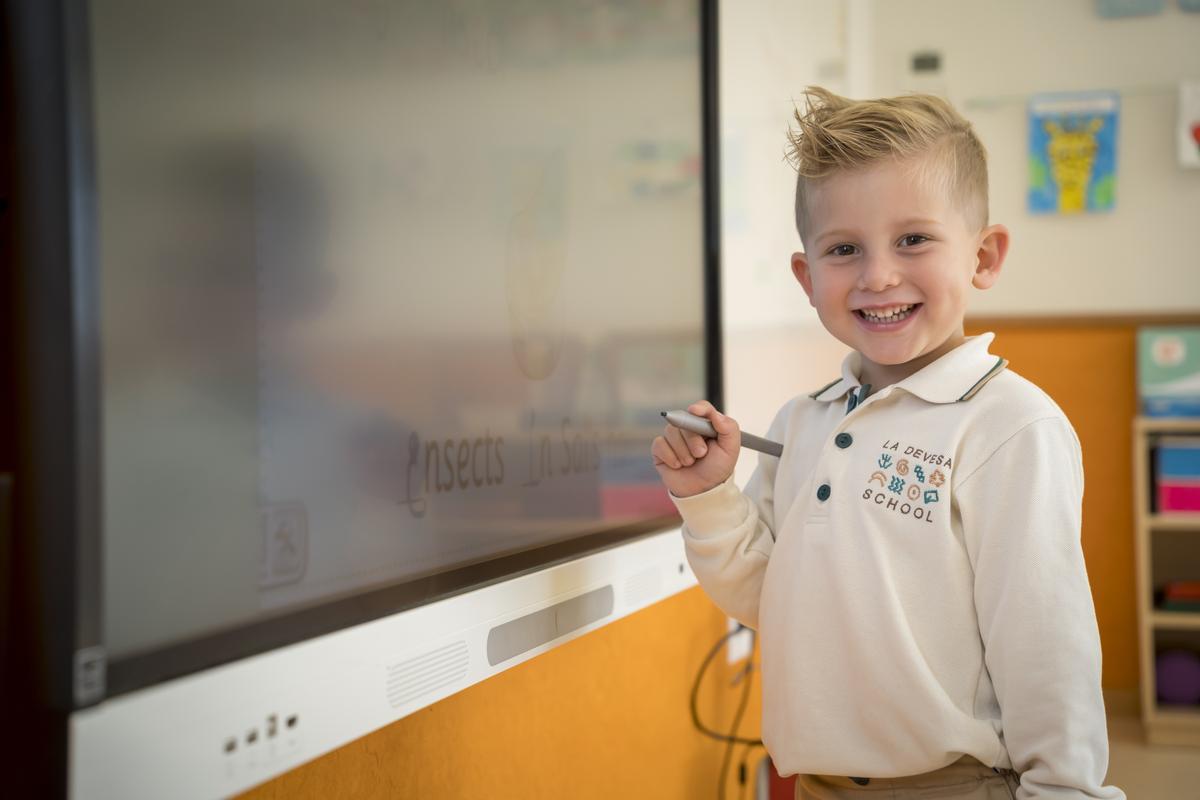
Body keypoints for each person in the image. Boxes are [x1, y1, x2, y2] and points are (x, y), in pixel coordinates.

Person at [652, 87, 1125, 799]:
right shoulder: (802, 422)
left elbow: (1045, 648)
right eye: (844, 249)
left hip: (957, 785)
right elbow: (770, 601)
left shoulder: (1010, 427)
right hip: (817, 783)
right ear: (808, 279)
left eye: (913, 239)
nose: (878, 275)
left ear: (984, 257)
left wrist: (1066, 788)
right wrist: (708, 497)